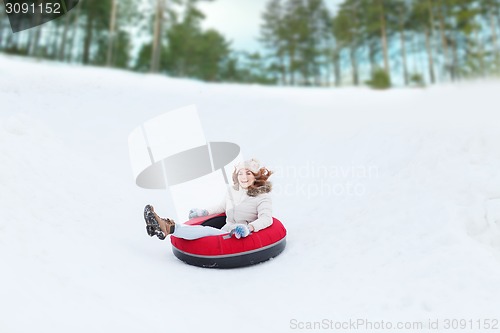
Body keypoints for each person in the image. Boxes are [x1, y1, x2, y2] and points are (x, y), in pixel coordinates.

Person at [143, 158, 273, 240]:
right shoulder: (233, 192)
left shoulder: (262, 197)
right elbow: (221, 208)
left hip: (241, 235)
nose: (243, 177)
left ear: (255, 176)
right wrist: (203, 212)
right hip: (226, 230)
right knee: (203, 229)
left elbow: (266, 218)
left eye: (248, 173)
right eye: (240, 173)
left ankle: (168, 228)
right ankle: (162, 227)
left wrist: (248, 228)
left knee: (205, 231)